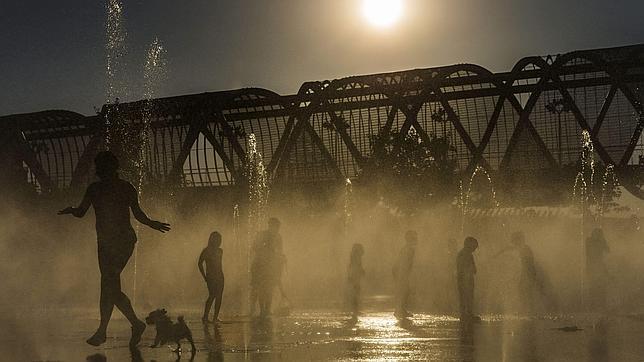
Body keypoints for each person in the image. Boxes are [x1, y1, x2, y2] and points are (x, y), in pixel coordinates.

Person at [58, 151, 170, 347]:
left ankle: (104, 331)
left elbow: (137, 213)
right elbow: (82, 212)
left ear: (110, 167)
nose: (97, 169)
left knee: (109, 284)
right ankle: (133, 324)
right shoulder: (97, 189)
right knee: (109, 286)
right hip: (104, 243)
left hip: (122, 241)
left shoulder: (123, 188)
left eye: (100, 166)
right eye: (98, 166)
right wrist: (72, 210)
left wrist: (152, 223)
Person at [250, 217, 284, 318]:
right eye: (275, 226)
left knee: (269, 288)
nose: (277, 229)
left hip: (271, 265)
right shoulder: (262, 235)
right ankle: (260, 309)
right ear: (270, 225)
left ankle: (267, 310)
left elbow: (280, 251)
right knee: (260, 288)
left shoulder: (278, 237)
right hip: (260, 264)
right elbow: (254, 247)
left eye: (278, 227)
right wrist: (264, 250)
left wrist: (280, 260)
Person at [198, 231, 225, 323]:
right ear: (212, 240)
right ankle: (205, 317)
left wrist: (220, 275)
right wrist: (204, 276)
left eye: (219, 239)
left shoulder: (220, 251)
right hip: (211, 276)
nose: (219, 241)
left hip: (220, 275)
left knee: (219, 296)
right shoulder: (206, 251)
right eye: (217, 239)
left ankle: (215, 317)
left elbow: (219, 265)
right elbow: (199, 263)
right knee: (212, 295)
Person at [393, 230, 418, 319]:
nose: (416, 239)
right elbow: (405, 263)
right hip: (402, 273)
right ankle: (400, 310)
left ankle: (400, 310)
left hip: (401, 272)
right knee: (404, 291)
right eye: (414, 237)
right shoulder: (409, 249)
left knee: (404, 291)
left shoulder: (407, 248)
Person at [586, 228, 610, 311]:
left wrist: (603, 241)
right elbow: (590, 253)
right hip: (592, 266)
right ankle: (593, 306)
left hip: (599, 266)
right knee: (594, 287)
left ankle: (601, 305)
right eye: (596, 234)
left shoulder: (601, 242)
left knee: (601, 287)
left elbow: (608, 251)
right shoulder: (589, 241)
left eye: (599, 234)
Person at [457, 236, 479, 323]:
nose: (475, 249)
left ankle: (467, 314)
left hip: (466, 279)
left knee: (467, 297)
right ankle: (466, 315)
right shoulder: (465, 254)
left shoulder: (464, 254)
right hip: (465, 279)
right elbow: (468, 268)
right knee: (466, 296)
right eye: (474, 246)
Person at [347, 243, 365, 319]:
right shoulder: (356, 256)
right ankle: (355, 310)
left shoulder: (354, 256)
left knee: (356, 292)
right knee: (356, 293)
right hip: (355, 276)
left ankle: (355, 310)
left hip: (354, 275)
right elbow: (356, 266)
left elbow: (351, 266)